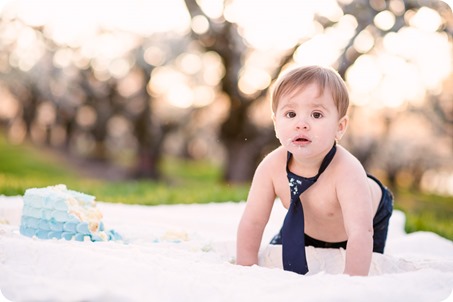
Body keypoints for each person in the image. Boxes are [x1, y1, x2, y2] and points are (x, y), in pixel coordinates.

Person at [236, 65, 393, 276]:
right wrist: (244, 269)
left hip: (366, 221)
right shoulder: (270, 167)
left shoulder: (347, 170)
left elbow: (360, 233)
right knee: (280, 256)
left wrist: (353, 285)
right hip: (304, 226)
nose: (301, 124)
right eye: (290, 114)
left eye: (316, 115)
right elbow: (252, 221)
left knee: (371, 266)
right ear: (275, 124)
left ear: (340, 127)